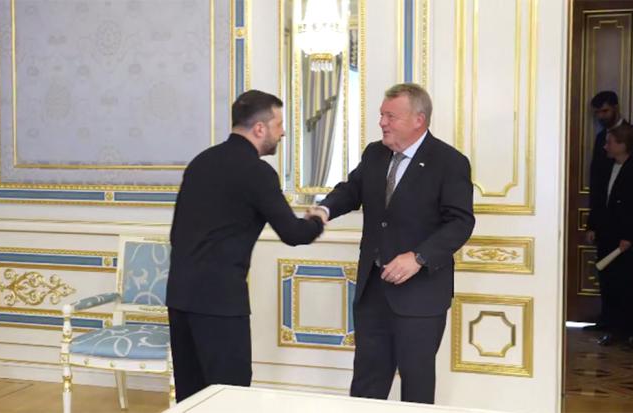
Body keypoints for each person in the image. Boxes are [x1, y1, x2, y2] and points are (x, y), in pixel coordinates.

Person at [308, 83, 475, 404]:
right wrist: (324, 210)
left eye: (390, 116)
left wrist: (419, 257)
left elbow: (460, 222)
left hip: (421, 294)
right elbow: (351, 190)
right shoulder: (375, 153)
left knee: (416, 383)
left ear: (418, 120)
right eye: (381, 115)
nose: (382, 122)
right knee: (367, 380)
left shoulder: (449, 162)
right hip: (373, 290)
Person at [166, 90, 325, 402]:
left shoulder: (201, 162)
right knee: (231, 395)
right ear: (260, 128)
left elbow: (176, 233)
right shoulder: (257, 172)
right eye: (279, 124)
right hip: (220, 302)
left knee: (191, 397)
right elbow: (293, 233)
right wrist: (317, 219)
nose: (282, 132)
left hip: (179, 297)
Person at [585, 91, 633, 333]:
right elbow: (597, 185)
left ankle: (627, 328)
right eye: (597, 113)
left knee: (626, 281)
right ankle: (608, 321)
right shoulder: (602, 138)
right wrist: (592, 223)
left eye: (605, 111)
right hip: (606, 224)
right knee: (607, 278)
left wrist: (629, 233)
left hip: (625, 229)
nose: (601, 116)